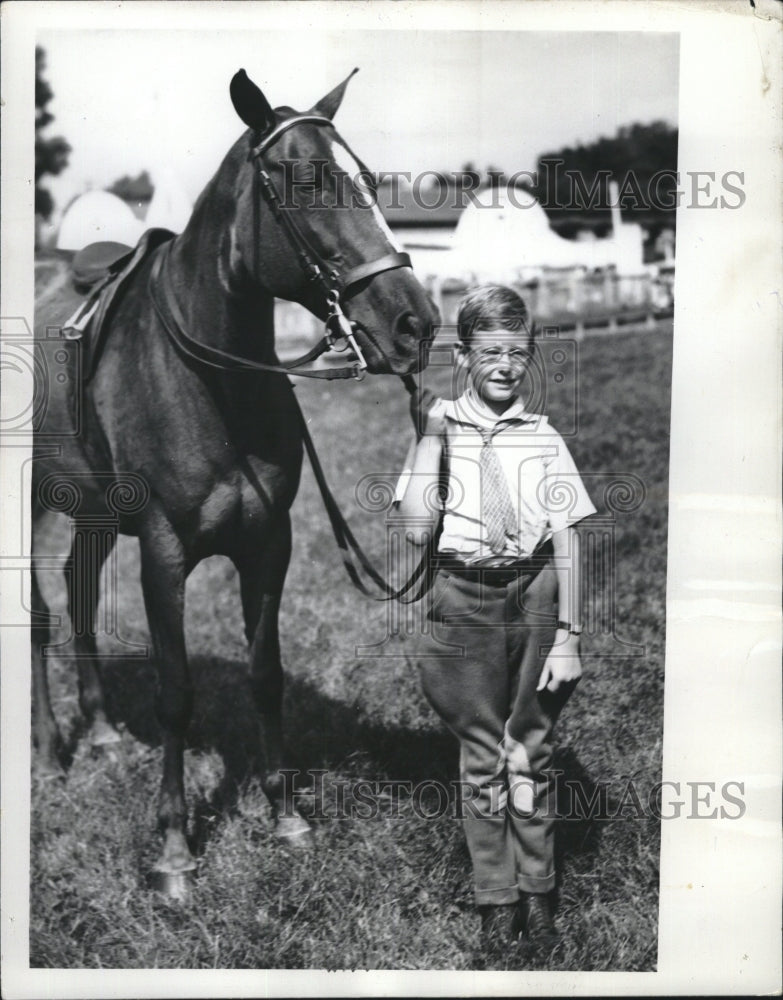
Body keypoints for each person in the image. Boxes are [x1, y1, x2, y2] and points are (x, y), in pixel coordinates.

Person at [395, 284, 596, 955]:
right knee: (482, 754)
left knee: (528, 751)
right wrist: (428, 439)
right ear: (463, 356)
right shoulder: (440, 430)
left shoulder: (543, 437)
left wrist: (568, 637)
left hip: (535, 597)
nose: (505, 365)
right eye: (490, 352)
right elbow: (418, 531)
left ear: (530, 354)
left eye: (517, 351)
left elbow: (568, 537)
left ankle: (539, 893)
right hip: (462, 601)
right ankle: (493, 896)